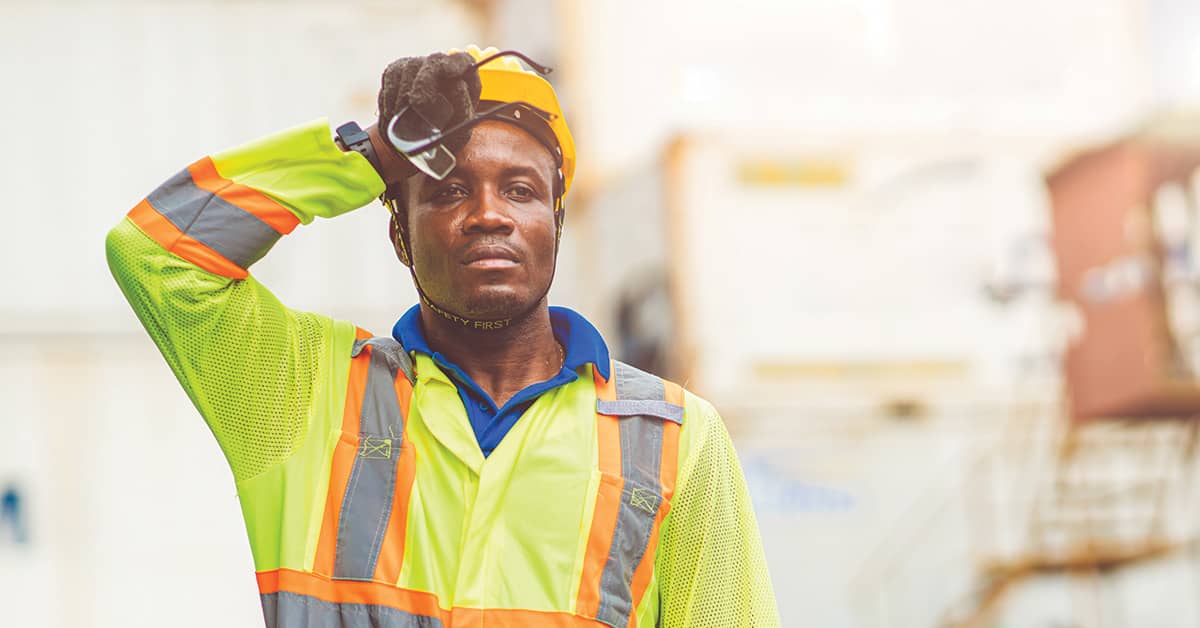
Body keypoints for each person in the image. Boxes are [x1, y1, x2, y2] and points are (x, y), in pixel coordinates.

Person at [107, 45, 779, 627]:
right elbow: (154, 252)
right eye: (449, 190)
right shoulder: (305, 395)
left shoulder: (673, 438)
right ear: (400, 234)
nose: (489, 214)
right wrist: (373, 154)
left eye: (520, 190)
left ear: (556, 222)